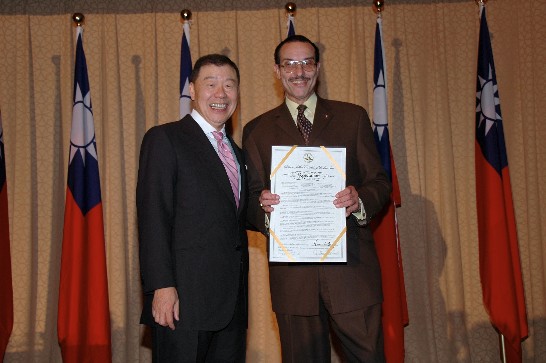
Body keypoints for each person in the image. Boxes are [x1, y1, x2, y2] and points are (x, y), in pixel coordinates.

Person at [243, 35, 391, 362]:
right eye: (290, 64)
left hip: (353, 273)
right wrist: (263, 207)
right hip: (294, 281)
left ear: (318, 68)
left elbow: (379, 182)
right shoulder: (257, 130)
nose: (299, 71)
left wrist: (359, 198)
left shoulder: (352, 117)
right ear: (277, 71)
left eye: (307, 62)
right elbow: (249, 200)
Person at [137, 53, 248, 362]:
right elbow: (153, 217)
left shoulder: (239, 154)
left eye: (229, 85)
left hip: (232, 308)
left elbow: (235, 221)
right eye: (210, 84)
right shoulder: (165, 139)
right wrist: (161, 286)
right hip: (183, 303)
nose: (221, 94)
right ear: (193, 90)